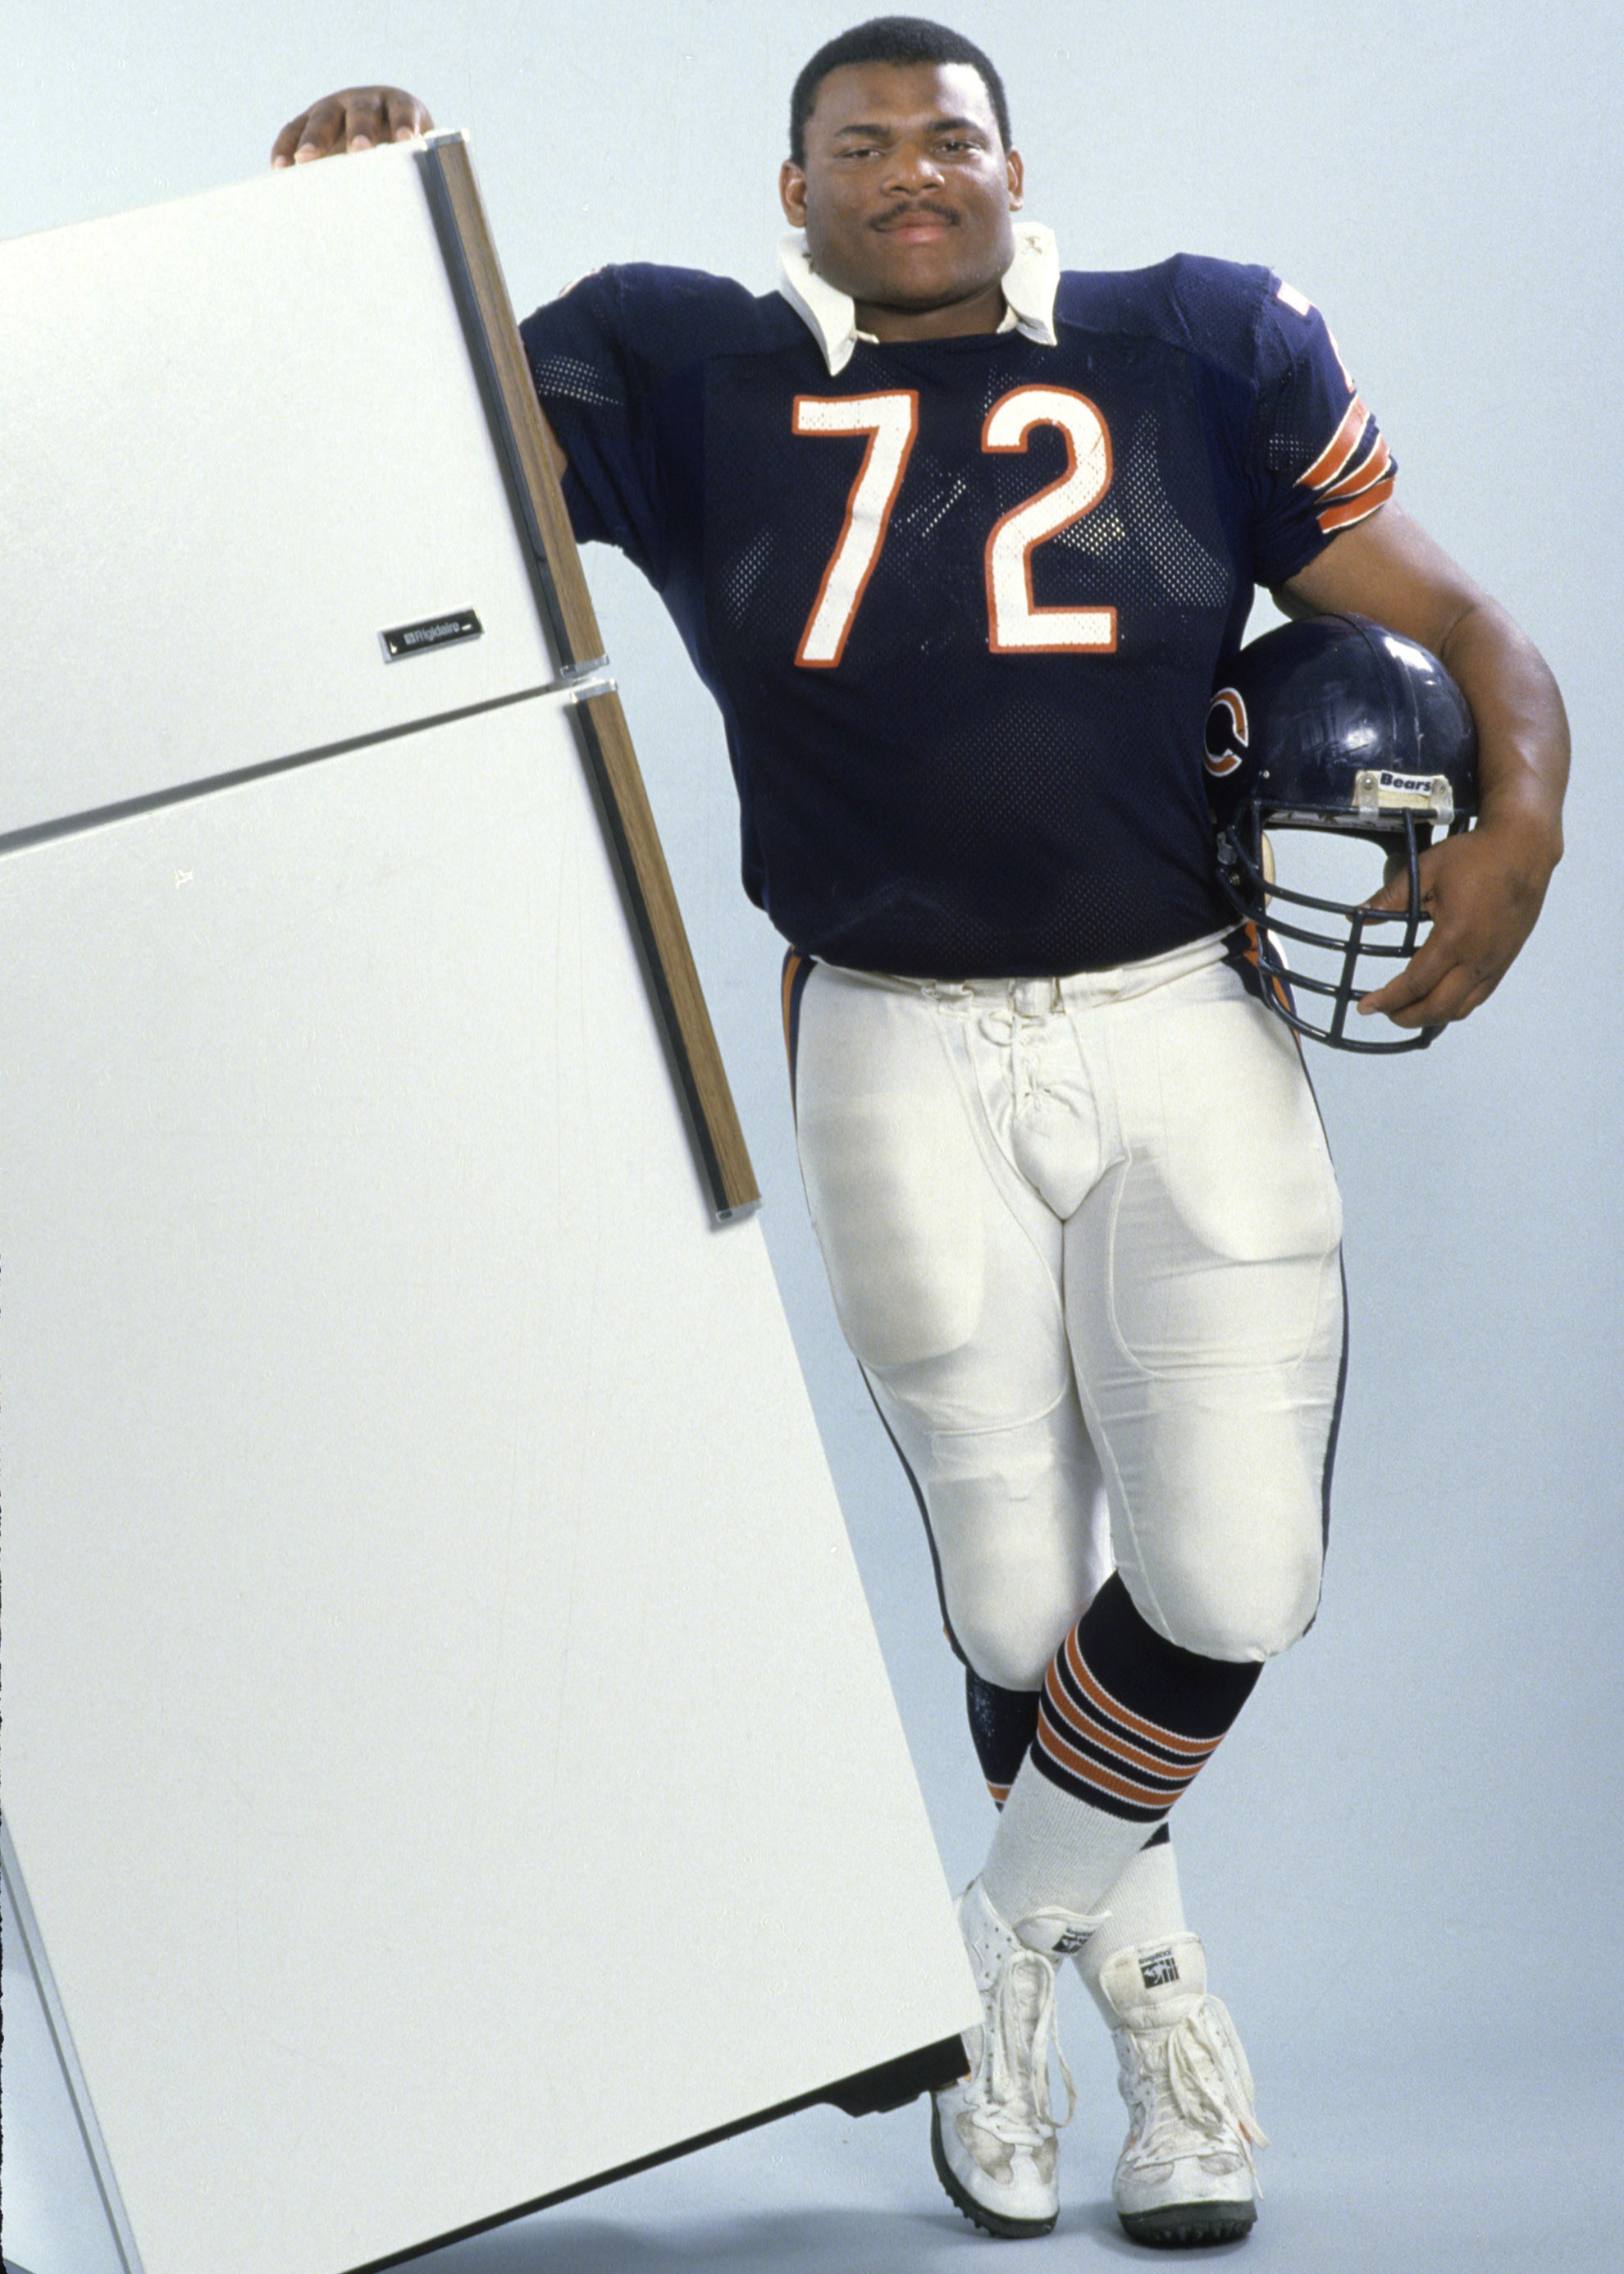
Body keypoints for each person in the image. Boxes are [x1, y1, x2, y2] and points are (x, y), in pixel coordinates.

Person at [273, 18, 1567, 2249]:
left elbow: (1452, 619)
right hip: (883, 1028)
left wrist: (1523, 815)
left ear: (1010, 165)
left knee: (1233, 1574)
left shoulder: (1191, 345)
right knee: (999, 1584)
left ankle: (993, 1944)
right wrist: (349, 224)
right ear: (791, 194)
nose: (907, 172)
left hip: (1179, 1009)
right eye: (856, 146)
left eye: (944, 137)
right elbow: (394, 443)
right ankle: (1157, 2018)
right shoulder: (676, 370)